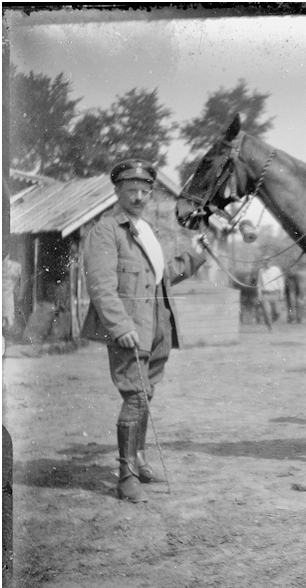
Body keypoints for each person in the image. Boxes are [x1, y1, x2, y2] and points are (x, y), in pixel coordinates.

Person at [81, 159, 207, 502]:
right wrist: (120, 326)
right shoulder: (105, 231)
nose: (138, 196)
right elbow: (101, 287)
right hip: (131, 330)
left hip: (158, 329)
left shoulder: (147, 231)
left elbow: (164, 275)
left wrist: (196, 255)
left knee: (145, 395)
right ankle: (127, 477)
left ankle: (139, 457)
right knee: (135, 397)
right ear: (117, 191)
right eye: (131, 189)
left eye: (144, 190)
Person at [256, 259, 284, 330]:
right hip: (265, 294)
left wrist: (281, 293)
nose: (267, 264)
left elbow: (281, 282)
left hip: (275, 293)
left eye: (268, 262)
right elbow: (259, 284)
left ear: (271, 262)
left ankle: (269, 321)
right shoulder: (261, 271)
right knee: (267, 312)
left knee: (278, 312)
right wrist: (259, 294)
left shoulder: (276, 270)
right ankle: (270, 326)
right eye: (265, 262)